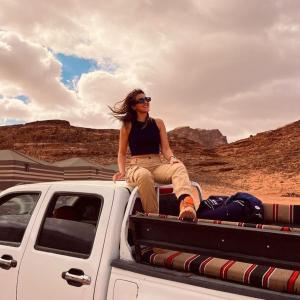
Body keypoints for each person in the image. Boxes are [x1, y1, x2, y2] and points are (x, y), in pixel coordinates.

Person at [108, 88, 197, 220]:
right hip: (137, 166)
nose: (146, 102)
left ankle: (186, 204)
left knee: (178, 166)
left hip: (157, 165)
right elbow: (121, 153)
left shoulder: (158, 123)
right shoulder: (127, 126)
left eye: (147, 99)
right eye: (141, 100)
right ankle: (153, 217)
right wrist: (121, 171)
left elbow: (165, 149)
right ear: (133, 106)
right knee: (145, 176)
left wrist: (172, 158)